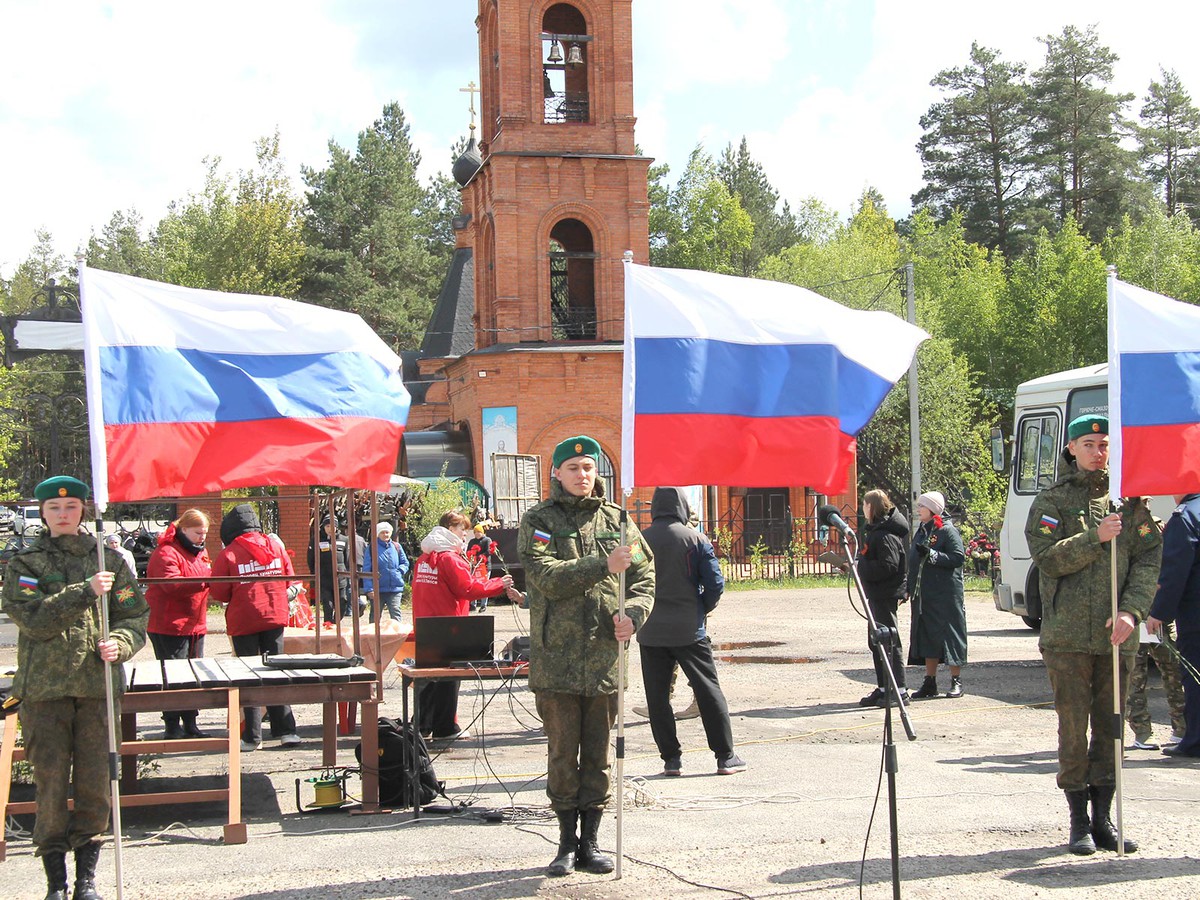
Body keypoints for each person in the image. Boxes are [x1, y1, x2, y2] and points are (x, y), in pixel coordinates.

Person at [3, 475, 148, 900]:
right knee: (49, 784)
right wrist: (84, 592)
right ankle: (55, 882)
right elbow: (32, 619)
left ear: (83, 509)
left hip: (95, 689)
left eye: (70, 508)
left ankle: (87, 880)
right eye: (54, 509)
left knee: (95, 784)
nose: (63, 514)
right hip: (44, 694)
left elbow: (133, 615)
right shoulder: (25, 564)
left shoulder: (111, 561)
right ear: (43, 513)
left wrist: (120, 645)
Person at [517, 435, 654, 877]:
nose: (582, 475)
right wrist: (601, 565)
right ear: (556, 473)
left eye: (589, 468)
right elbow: (545, 576)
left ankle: (591, 842)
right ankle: (564, 842)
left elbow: (644, 575)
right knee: (562, 754)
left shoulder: (617, 521)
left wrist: (633, 615)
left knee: (598, 755)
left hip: (604, 657)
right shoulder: (539, 520)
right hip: (556, 659)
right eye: (573, 467)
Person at [1026, 414, 1160, 855]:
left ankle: (1104, 818)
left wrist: (1132, 611)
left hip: (1115, 637)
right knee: (1073, 728)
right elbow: (1046, 557)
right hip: (1067, 637)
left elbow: (1148, 559)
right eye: (1088, 444)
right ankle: (1078, 820)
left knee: (1112, 728)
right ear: (1071, 448)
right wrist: (1094, 538)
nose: (1098, 452)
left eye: (1104, 444)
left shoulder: (1130, 502)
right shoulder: (1053, 501)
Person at [637, 486, 744, 777]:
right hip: (689, 629)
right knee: (708, 690)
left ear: (655, 507)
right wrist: (702, 608)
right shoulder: (696, 539)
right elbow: (715, 583)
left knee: (657, 697)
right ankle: (725, 756)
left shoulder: (638, 541)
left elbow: (627, 582)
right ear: (682, 506)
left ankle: (671, 760)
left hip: (650, 630)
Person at [411, 510, 512, 739]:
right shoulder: (450, 558)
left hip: (426, 625)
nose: (464, 534)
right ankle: (446, 727)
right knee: (448, 678)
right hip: (449, 627)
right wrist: (498, 583)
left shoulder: (425, 557)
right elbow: (466, 589)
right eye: (460, 529)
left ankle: (421, 726)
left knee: (428, 678)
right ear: (449, 529)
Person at [210, 504, 301, 751]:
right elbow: (288, 578)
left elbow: (218, 591)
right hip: (275, 615)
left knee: (248, 676)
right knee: (275, 673)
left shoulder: (229, 552)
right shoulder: (275, 546)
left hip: (244, 619)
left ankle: (252, 737)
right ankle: (286, 731)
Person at [145, 509, 212, 739]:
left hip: (195, 625)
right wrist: (207, 580)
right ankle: (172, 725)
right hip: (169, 625)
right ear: (183, 529)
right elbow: (171, 585)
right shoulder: (166, 553)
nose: (201, 537)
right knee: (172, 677)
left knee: (193, 675)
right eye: (197, 533)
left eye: (204, 533)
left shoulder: (200, 553)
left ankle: (191, 722)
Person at [1146, 492, 1200, 759]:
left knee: (1194, 678)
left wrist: (1159, 613)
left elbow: (1175, 571)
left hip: (1195, 615)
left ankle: (1195, 741)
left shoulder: (1185, 517)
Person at [906, 491, 967, 699]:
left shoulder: (947, 531)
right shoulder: (923, 530)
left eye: (922, 506)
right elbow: (914, 561)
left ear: (933, 509)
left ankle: (956, 680)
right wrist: (908, 586)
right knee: (928, 635)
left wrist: (932, 555)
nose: (918, 509)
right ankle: (930, 681)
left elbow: (958, 557)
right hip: (925, 594)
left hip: (946, 594)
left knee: (950, 635)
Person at [856, 489, 910, 707]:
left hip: (885, 594)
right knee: (877, 641)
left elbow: (889, 566)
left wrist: (863, 566)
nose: (862, 509)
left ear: (872, 507)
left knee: (889, 640)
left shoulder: (885, 534)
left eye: (864, 505)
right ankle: (883, 688)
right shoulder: (877, 531)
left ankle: (899, 691)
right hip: (877, 595)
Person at [1125, 628, 1186, 750]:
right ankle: (1142, 730)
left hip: (1162, 621)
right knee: (1135, 678)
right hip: (1134, 621)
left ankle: (1182, 726)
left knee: (1176, 673)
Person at [306, 516, 353, 622]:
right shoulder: (316, 540)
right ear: (323, 527)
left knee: (342, 602)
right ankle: (328, 626)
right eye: (327, 526)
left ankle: (336, 623)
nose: (330, 528)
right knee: (328, 605)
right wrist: (315, 573)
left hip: (340, 579)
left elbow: (347, 558)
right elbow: (311, 559)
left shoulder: (344, 539)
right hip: (324, 579)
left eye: (333, 526)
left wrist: (345, 572)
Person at [363, 521, 410, 622]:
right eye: (382, 532)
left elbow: (405, 563)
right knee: (375, 617)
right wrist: (369, 589)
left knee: (396, 614)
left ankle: (398, 636)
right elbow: (366, 569)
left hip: (395, 588)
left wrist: (399, 571)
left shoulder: (397, 547)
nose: (385, 535)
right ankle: (373, 637)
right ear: (378, 534)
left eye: (387, 532)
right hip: (377, 589)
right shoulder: (371, 548)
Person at [466, 522, 500, 612]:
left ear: (482, 532)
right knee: (473, 585)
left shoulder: (487, 540)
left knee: (484, 585)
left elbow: (489, 551)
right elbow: (468, 551)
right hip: (474, 566)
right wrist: (471, 558)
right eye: (475, 532)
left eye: (478, 532)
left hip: (484, 566)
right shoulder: (472, 541)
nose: (477, 534)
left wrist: (480, 557)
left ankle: (483, 605)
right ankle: (473, 604)